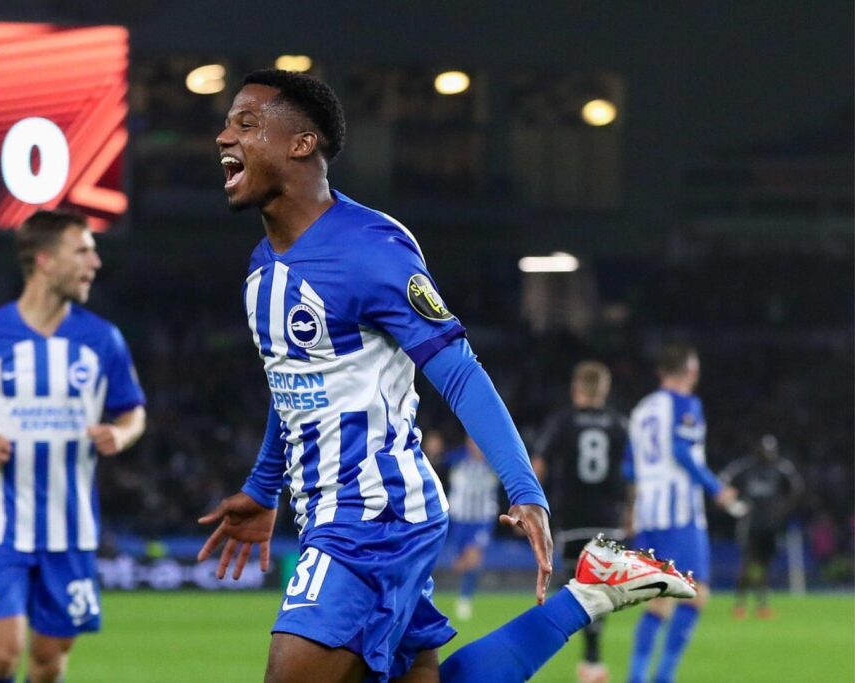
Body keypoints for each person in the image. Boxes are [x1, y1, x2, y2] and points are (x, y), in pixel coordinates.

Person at [197, 69, 696, 683]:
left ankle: (588, 591)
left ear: (302, 143)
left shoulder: (372, 249)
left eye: (246, 124)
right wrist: (263, 486)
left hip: (372, 513)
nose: (224, 136)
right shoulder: (260, 270)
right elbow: (293, 383)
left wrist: (526, 491)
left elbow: (459, 373)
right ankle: (589, 594)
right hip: (333, 509)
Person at [0, 210, 147, 683]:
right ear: (45, 261)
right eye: (83, 250)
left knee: (48, 661)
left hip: (70, 525)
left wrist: (121, 434)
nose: (96, 262)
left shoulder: (102, 339)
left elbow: (133, 411)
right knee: (4, 654)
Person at [623, 343, 737, 683]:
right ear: (690, 370)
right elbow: (681, 450)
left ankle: (639, 676)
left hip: (647, 512)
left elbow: (628, 468)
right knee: (696, 594)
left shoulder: (641, 410)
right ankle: (663, 676)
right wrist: (716, 488)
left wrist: (630, 510)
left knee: (659, 599)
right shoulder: (687, 404)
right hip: (680, 513)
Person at [532, 361, 628, 683]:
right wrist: (631, 512)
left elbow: (539, 462)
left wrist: (530, 504)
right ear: (604, 390)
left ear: (576, 389)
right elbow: (631, 473)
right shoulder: (618, 423)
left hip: (572, 517)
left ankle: (554, 644)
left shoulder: (563, 421)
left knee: (573, 586)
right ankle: (592, 661)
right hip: (608, 518)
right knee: (600, 589)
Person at [720, 434, 804, 619]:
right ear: (757, 451)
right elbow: (724, 479)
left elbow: (797, 487)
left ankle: (762, 605)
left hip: (770, 525)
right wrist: (734, 505)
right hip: (750, 524)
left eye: (771, 451)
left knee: (765, 566)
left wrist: (783, 509)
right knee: (748, 563)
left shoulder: (780, 468)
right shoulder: (746, 466)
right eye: (765, 451)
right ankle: (740, 604)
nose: (768, 455)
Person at [444, 436, 500, 621]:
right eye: (471, 442)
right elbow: (438, 462)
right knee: (459, 563)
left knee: (473, 557)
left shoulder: (493, 463)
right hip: (459, 520)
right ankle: (460, 595)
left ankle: (465, 599)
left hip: (481, 519)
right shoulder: (457, 459)